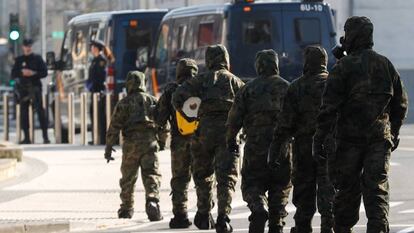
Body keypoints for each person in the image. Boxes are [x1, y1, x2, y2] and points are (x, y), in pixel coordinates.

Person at [313, 16, 408, 233]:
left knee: (346, 190)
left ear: (352, 36)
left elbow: (328, 109)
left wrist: (319, 140)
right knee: (377, 189)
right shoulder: (385, 65)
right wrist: (393, 131)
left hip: (348, 142)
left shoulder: (343, 67)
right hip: (378, 140)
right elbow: (401, 103)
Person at [172, 44, 244, 233]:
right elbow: (247, 104)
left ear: (208, 60)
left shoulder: (198, 81)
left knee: (202, 175)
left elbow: (177, 96)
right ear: (226, 60)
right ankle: (223, 217)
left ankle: (203, 213)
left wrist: (190, 115)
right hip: (228, 134)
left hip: (202, 132)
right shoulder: (235, 82)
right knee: (226, 177)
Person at [269, 46, 335, 233]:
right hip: (329, 146)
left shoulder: (297, 87)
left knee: (304, 191)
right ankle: (329, 226)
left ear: (307, 62)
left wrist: (275, 150)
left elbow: (284, 124)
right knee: (328, 189)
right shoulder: (334, 84)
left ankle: (302, 227)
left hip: (303, 146)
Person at [226, 50, 292, 233]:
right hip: (282, 147)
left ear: (258, 66)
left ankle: (257, 207)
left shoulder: (247, 89)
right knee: (280, 186)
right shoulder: (287, 88)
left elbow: (234, 120)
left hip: (255, 145)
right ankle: (277, 221)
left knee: (252, 183)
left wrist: (231, 140)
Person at [104, 71, 163, 221]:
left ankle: (126, 208)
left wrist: (109, 148)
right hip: (150, 143)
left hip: (130, 145)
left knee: (128, 178)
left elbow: (114, 127)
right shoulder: (152, 100)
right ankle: (152, 201)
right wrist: (162, 141)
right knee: (151, 174)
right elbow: (164, 123)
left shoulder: (123, 103)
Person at [154, 58, 198, 228]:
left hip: (179, 141)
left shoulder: (171, 90)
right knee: (204, 177)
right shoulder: (201, 86)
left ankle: (180, 215)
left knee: (180, 179)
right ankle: (205, 213)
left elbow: (159, 118)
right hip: (201, 139)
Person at [11, 38, 50, 144]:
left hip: (35, 88)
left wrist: (33, 73)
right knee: (24, 114)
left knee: (40, 113)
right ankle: (27, 138)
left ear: (31, 47)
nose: (28, 48)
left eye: (29, 46)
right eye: (26, 46)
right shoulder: (19, 60)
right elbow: (13, 74)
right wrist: (22, 72)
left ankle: (45, 137)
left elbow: (44, 72)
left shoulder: (37, 59)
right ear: (23, 47)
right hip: (23, 90)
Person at [87, 40, 107, 144]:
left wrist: (93, 85)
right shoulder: (94, 60)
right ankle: (95, 137)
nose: (91, 49)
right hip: (93, 91)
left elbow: (100, 77)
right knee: (93, 113)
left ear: (96, 48)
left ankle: (101, 138)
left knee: (99, 115)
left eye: (93, 47)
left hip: (99, 91)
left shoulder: (101, 60)